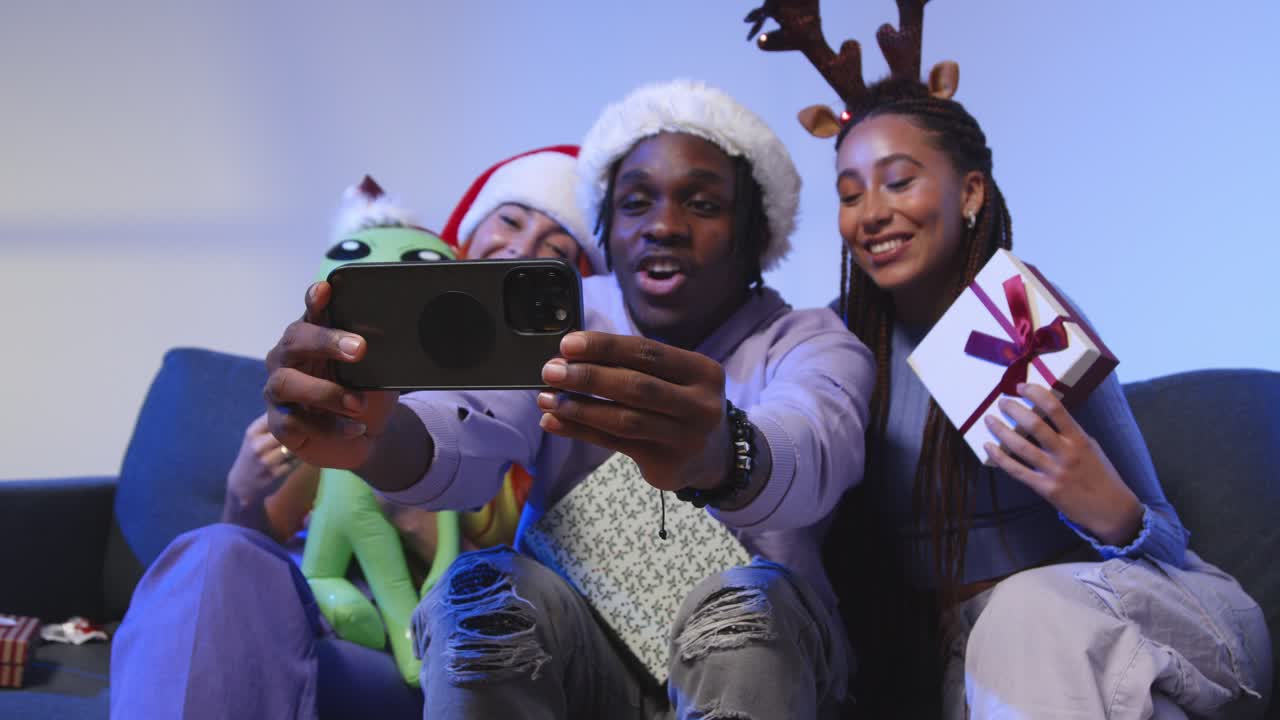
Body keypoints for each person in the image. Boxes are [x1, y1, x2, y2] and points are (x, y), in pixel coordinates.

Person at [262, 78, 874, 718]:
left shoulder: (810, 341)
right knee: (481, 594)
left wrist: (724, 452)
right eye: (636, 203)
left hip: (767, 667)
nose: (664, 225)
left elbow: (815, 445)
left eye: (701, 204)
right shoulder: (572, 322)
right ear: (606, 229)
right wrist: (368, 433)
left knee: (743, 609)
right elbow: (470, 426)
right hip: (583, 661)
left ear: (758, 231)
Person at [746, 2, 1274, 717]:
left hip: (1141, 608)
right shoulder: (840, 350)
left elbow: (1166, 540)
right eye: (849, 193)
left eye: (898, 181)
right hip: (990, 658)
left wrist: (1109, 508)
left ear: (970, 192)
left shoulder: (1023, 314)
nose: (870, 213)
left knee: (1028, 611)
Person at [111, 150, 602, 720]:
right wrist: (243, 492)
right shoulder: (341, 380)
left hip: (410, 653)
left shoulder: (528, 417)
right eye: (511, 221)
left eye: (556, 251)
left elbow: (516, 605)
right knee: (213, 552)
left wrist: (422, 527)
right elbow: (252, 546)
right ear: (467, 232)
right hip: (302, 607)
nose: (522, 248)